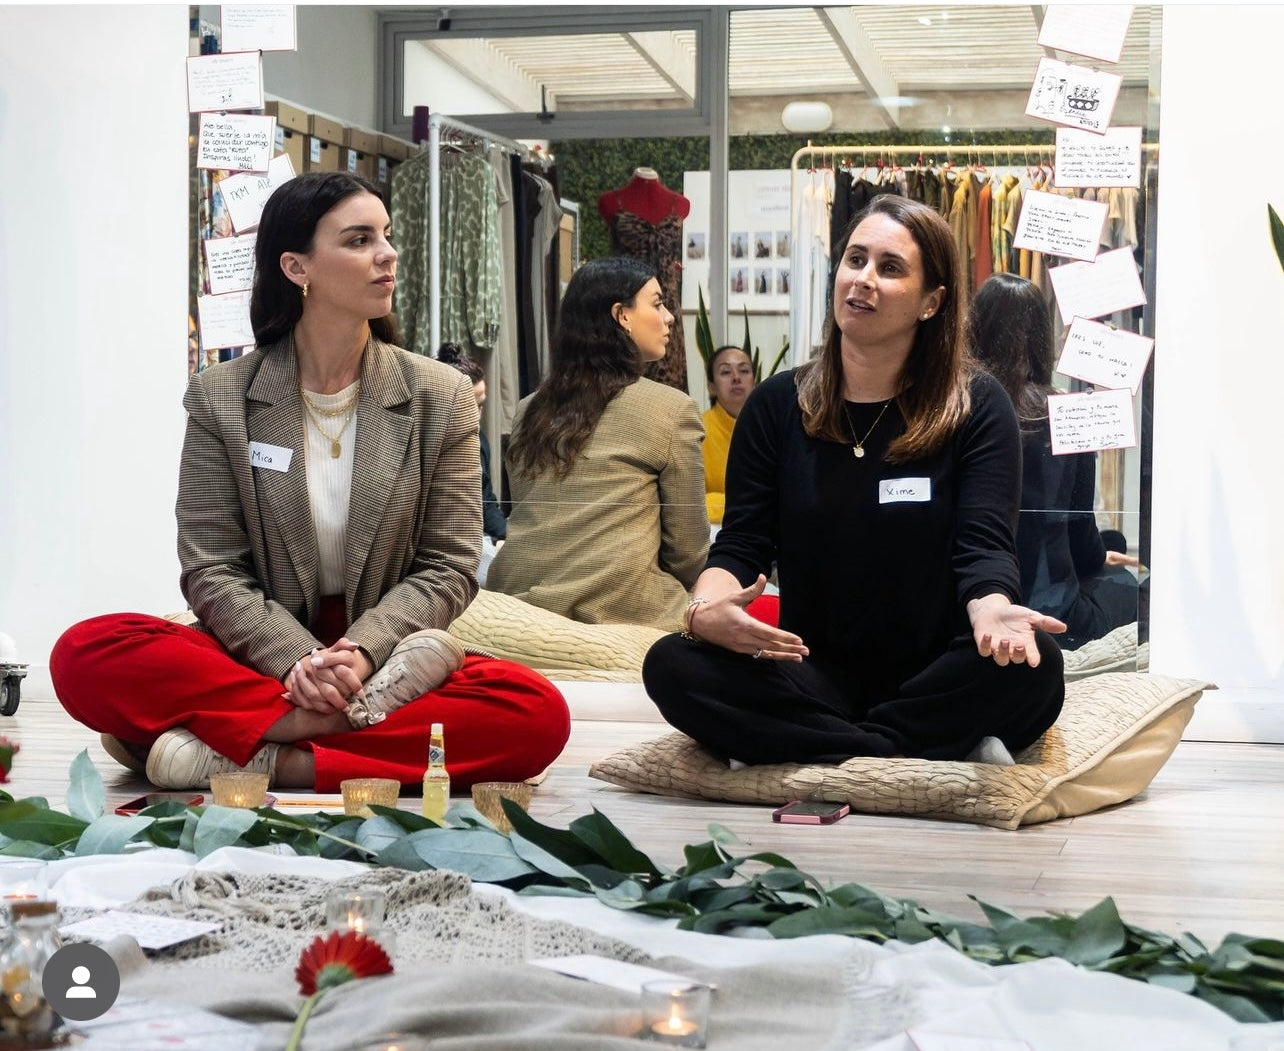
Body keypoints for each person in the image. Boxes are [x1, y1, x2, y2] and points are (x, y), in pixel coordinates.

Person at [49, 170, 569, 792]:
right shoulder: (222, 397)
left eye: (386, 235)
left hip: (383, 654)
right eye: (358, 240)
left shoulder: (441, 395)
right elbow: (211, 567)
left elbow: (448, 566)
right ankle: (319, 734)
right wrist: (297, 662)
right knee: (86, 652)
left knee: (536, 712)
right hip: (260, 654)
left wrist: (361, 653)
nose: (387, 254)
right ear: (297, 268)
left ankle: (258, 755)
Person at [643, 195, 1066, 767]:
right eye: (855, 260)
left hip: (938, 669)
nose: (863, 279)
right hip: (810, 669)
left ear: (931, 302)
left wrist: (991, 609)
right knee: (671, 665)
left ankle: (819, 743)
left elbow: (985, 547)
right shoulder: (774, 407)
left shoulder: (977, 405)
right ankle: (909, 747)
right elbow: (743, 544)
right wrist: (704, 609)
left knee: (1038, 664)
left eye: (890, 268)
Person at [487, 257, 708, 631]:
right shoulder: (672, 410)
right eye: (657, 303)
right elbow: (688, 553)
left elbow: (531, 515)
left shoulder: (527, 410)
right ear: (622, 316)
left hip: (512, 613)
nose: (669, 317)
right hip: (622, 618)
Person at [968, 273, 1139, 650]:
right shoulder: (1063, 413)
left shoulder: (957, 406)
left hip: (971, 611)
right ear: (1041, 338)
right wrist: (1099, 555)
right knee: (1128, 585)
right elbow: (1081, 537)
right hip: (1054, 612)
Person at [438, 342, 506, 586]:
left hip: (478, 540)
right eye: (471, 405)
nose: (477, 415)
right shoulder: (427, 443)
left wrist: (506, 537)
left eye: (481, 405)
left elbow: (487, 500)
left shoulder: (478, 441)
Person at [702, 345, 756, 525]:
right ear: (711, 387)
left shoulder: (771, 428)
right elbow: (690, 501)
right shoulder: (697, 431)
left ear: (755, 382)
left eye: (744, 370)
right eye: (725, 372)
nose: (736, 378)